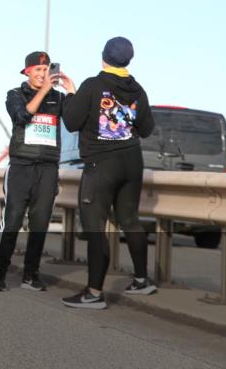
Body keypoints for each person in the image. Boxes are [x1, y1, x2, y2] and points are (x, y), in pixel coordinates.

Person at [60, 37, 157, 309]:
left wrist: (70, 93)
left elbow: (71, 121)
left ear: (103, 57)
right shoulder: (138, 90)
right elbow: (147, 129)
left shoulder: (93, 86)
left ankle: (93, 293)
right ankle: (141, 279)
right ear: (128, 60)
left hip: (101, 165)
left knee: (94, 226)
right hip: (131, 162)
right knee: (130, 219)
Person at [0, 51, 75, 292]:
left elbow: (74, 121)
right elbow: (23, 116)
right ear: (27, 72)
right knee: (13, 220)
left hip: (48, 168)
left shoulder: (58, 98)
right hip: (21, 167)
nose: (42, 74)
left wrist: (71, 90)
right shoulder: (15, 94)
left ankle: (31, 274)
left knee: (40, 223)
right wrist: (43, 91)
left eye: (46, 69)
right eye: (37, 70)